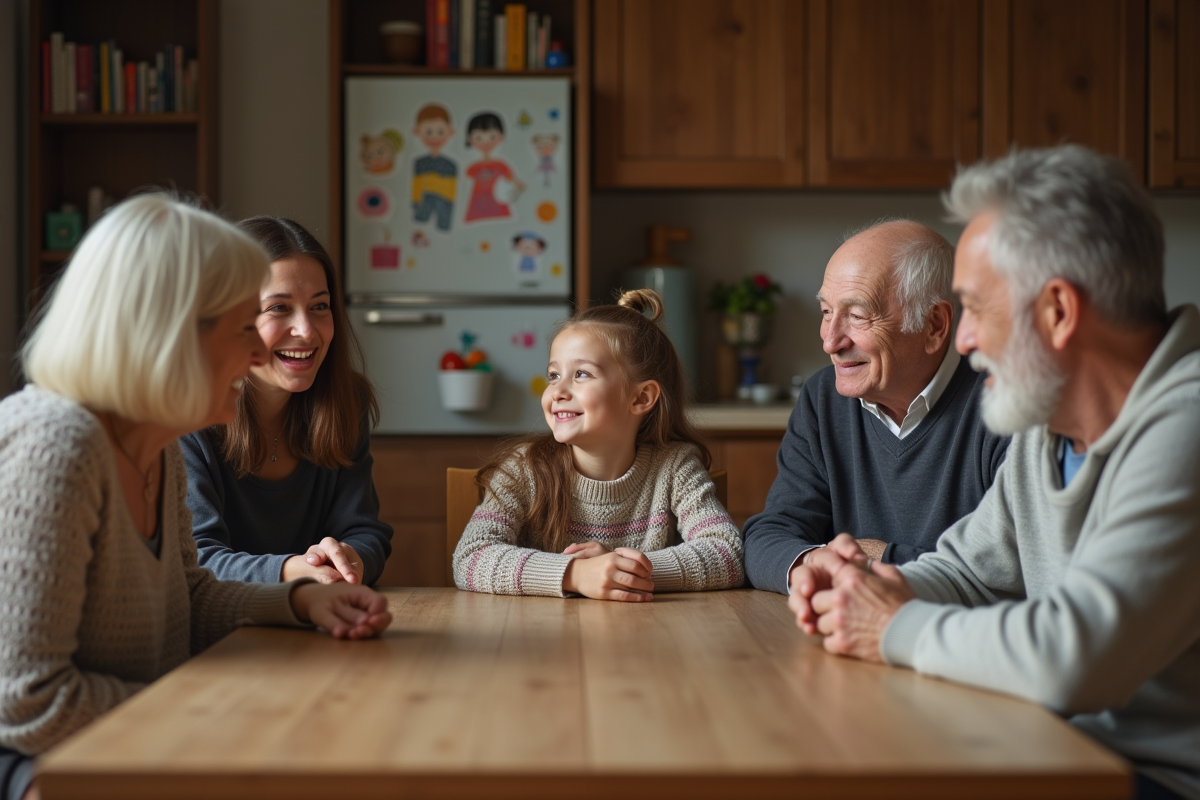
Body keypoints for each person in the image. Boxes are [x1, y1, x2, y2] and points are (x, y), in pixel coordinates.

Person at [790, 146, 1200, 800]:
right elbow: (970, 571)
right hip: (1051, 747)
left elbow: (1077, 656)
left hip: (1150, 780)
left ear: (1058, 311)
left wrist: (891, 626)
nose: (962, 340)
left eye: (976, 308)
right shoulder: (1048, 424)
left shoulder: (1187, 425)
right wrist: (861, 584)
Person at [0, 195, 392, 800]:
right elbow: (30, 706)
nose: (263, 352)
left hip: (139, 741)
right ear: (165, 331)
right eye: (245, 328)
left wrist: (300, 603)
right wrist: (215, 708)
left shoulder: (157, 448)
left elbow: (193, 595)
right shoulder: (58, 445)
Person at [743, 220, 1009, 595]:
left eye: (857, 314)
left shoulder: (1006, 403)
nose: (830, 342)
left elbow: (1008, 569)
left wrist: (882, 558)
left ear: (935, 325)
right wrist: (814, 563)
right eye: (825, 312)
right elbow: (767, 537)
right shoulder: (823, 399)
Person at [453, 289, 744, 601]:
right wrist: (575, 574)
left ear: (640, 398)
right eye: (554, 375)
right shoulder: (524, 468)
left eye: (581, 374)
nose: (557, 391)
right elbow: (470, 556)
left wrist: (620, 568)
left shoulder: (674, 467)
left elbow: (727, 553)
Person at [181, 217, 392, 587]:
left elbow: (365, 531)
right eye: (278, 308)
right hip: (217, 638)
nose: (307, 331)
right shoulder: (186, 413)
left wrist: (347, 559)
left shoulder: (346, 401)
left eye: (320, 306)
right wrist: (293, 570)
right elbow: (194, 560)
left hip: (317, 626)